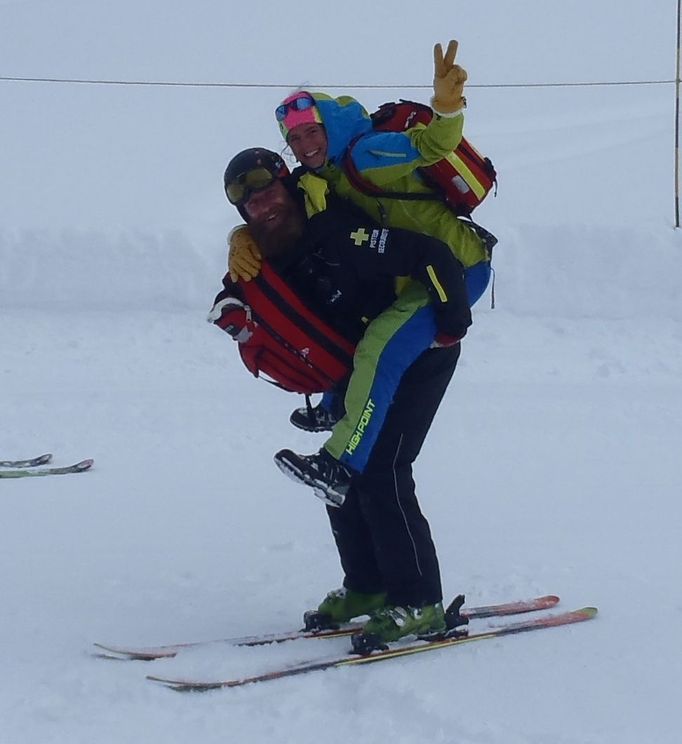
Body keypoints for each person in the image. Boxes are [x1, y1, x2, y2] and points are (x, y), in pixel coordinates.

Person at [212, 147, 471, 646]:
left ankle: (420, 601)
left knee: (381, 468)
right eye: (250, 205)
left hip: (419, 350)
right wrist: (229, 301)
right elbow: (245, 291)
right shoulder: (266, 250)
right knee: (342, 478)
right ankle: (369, 587)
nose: (263, 206)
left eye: (269, 192)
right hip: (360, 369)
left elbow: (430, 255)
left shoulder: (337, 230)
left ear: (288, 184)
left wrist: (453, 320)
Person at [229, 40, 493, 308]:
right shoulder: (325, 173)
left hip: (460, 263)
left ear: (330, 126)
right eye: (294, 138)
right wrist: (242, 235)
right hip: (420, 274)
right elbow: (284, 207)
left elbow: (431, 145)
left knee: (375, 351)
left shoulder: (366, 154)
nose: (305, 146)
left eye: (312, 132)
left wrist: (447, 107)